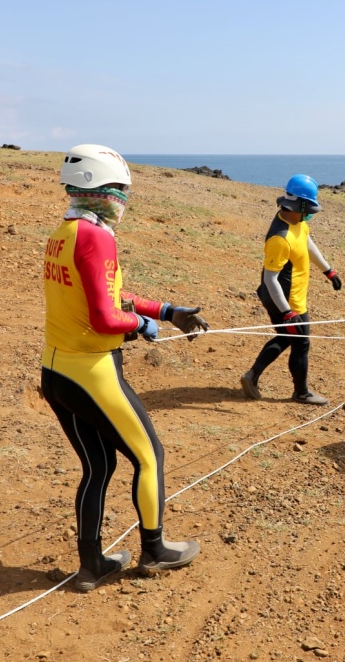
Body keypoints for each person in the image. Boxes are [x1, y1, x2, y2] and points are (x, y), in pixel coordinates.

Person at [41, 144, 210, 592]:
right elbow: (106, 317)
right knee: (149, 455)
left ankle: (92, 564)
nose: (123, 201)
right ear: (102, 189)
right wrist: (142, 324)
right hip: (91, 371)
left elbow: (104, 295)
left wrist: (168, 309)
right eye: (121, 191)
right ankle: (155, 551)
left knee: (97, 467)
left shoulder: (65, 232)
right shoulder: (98, 236)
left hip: (55, 372)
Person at [240, 174, 342, 406]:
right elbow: (270, 279)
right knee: (301, 341)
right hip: (284, 299)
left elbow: (307, 242)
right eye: (308, 209)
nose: (310, 214)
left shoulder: (297, 223)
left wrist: (328, 271)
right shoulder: (280, 238)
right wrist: (288, 312)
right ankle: (301, 393)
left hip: (287, 297)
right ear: (299, 205)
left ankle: (252, 375)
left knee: (287, 337)